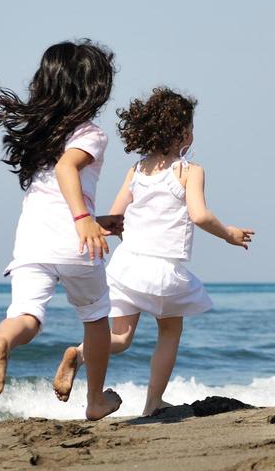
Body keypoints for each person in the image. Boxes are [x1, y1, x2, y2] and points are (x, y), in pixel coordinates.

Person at [58, 88, 254, 417]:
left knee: (120, 338)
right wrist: (229, 234)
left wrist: (90, 225)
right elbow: (200, 215)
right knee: (169, 331)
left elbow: (114, 220)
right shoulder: (190, 171)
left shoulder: (136, 170)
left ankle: (78, 355)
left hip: (125, 265)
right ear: (185, 134)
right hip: (162, 270)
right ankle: (153, 402)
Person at [0, 39, 123, 421]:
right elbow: (66, 171)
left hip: (33, 241)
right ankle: (94, 401)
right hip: (75, 241)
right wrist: (83, 220)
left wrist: (96, 218)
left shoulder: (40, 135)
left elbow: (53, 187)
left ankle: (2, 341)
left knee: (27, 316)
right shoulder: (90, 134)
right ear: (94, 89)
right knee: (95, 318)